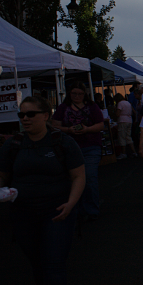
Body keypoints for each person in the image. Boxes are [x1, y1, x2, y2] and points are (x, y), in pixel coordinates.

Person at [0, 96, 86, 285]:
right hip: (23, 213)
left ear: (45, 115)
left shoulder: (63, 142)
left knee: (53, 260)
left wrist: (70, 204)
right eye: (21, 115)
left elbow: (78, 177)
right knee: (37, 261)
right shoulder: (13, 145)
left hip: (56, 212)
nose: (25, 119)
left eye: (30, 114)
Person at [51, 81, 105, 219]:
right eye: (74, 93)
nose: (77, 96)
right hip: (69, 148)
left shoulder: (92, 107)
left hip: (90, 146)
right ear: (70, 94)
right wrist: (68, 130)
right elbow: (54, 126)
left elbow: (100, 125)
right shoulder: (63, 108)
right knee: (72, 180)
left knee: (89, 178)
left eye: (80, 94)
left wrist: (87, 129)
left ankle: (91, 210)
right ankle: (75, 208)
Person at [113, 93, 136, 159]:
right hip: (129, 120)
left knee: (122, 137)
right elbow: (133, 112)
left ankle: (123, 153)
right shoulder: (128, 103)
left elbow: (117, 114)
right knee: (128, 137)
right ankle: (134, 151)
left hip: (122, 121)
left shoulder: (120, 104)